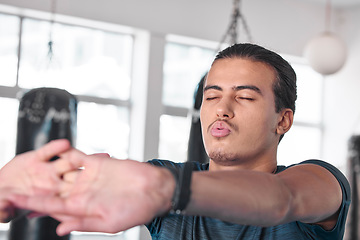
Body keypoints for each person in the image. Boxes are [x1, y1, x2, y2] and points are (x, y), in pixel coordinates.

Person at [9, 43, 351, 239]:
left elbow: (281, 199)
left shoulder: (321, 181)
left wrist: (166, 189)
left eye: (245, 97)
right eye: (212, 96)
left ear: (283, 119)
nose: (223, 110)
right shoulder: (163, 177)